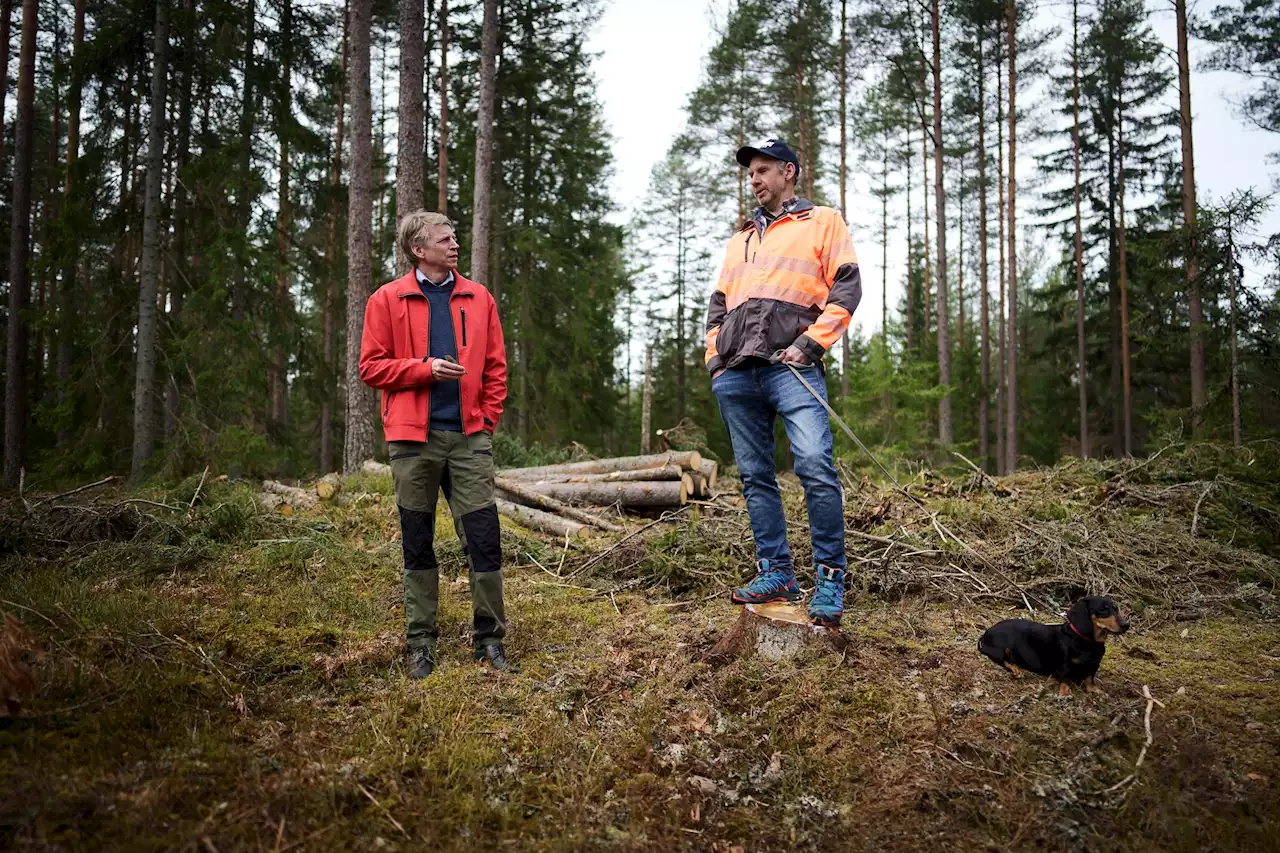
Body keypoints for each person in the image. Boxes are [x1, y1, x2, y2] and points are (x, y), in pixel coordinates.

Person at [705, 139, 862, 628]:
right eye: (751, 172)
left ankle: (830, 577)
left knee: (815, 465)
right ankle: (777, 572)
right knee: (755, 477)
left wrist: (812, 344)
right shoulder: (741, 239)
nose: (754, 178)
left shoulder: (823, 222)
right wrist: (717, 361)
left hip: (793, 369)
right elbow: (717, 307)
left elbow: (848, 285)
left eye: (763, 170)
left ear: (788, 172)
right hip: (738, 374)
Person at [359, 210, 515, 676]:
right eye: (443, 239)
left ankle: (489, 640)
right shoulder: (387, 300)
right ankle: (420, 643)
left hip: (468, 440)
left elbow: (496, 370)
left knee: (484, 541)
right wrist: (423, 368)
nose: (454, 244)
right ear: (418, 249)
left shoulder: (478, 298)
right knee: (417, 542)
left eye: (455, 237)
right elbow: (371, 368)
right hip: (412, 442)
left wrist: (485, 422)